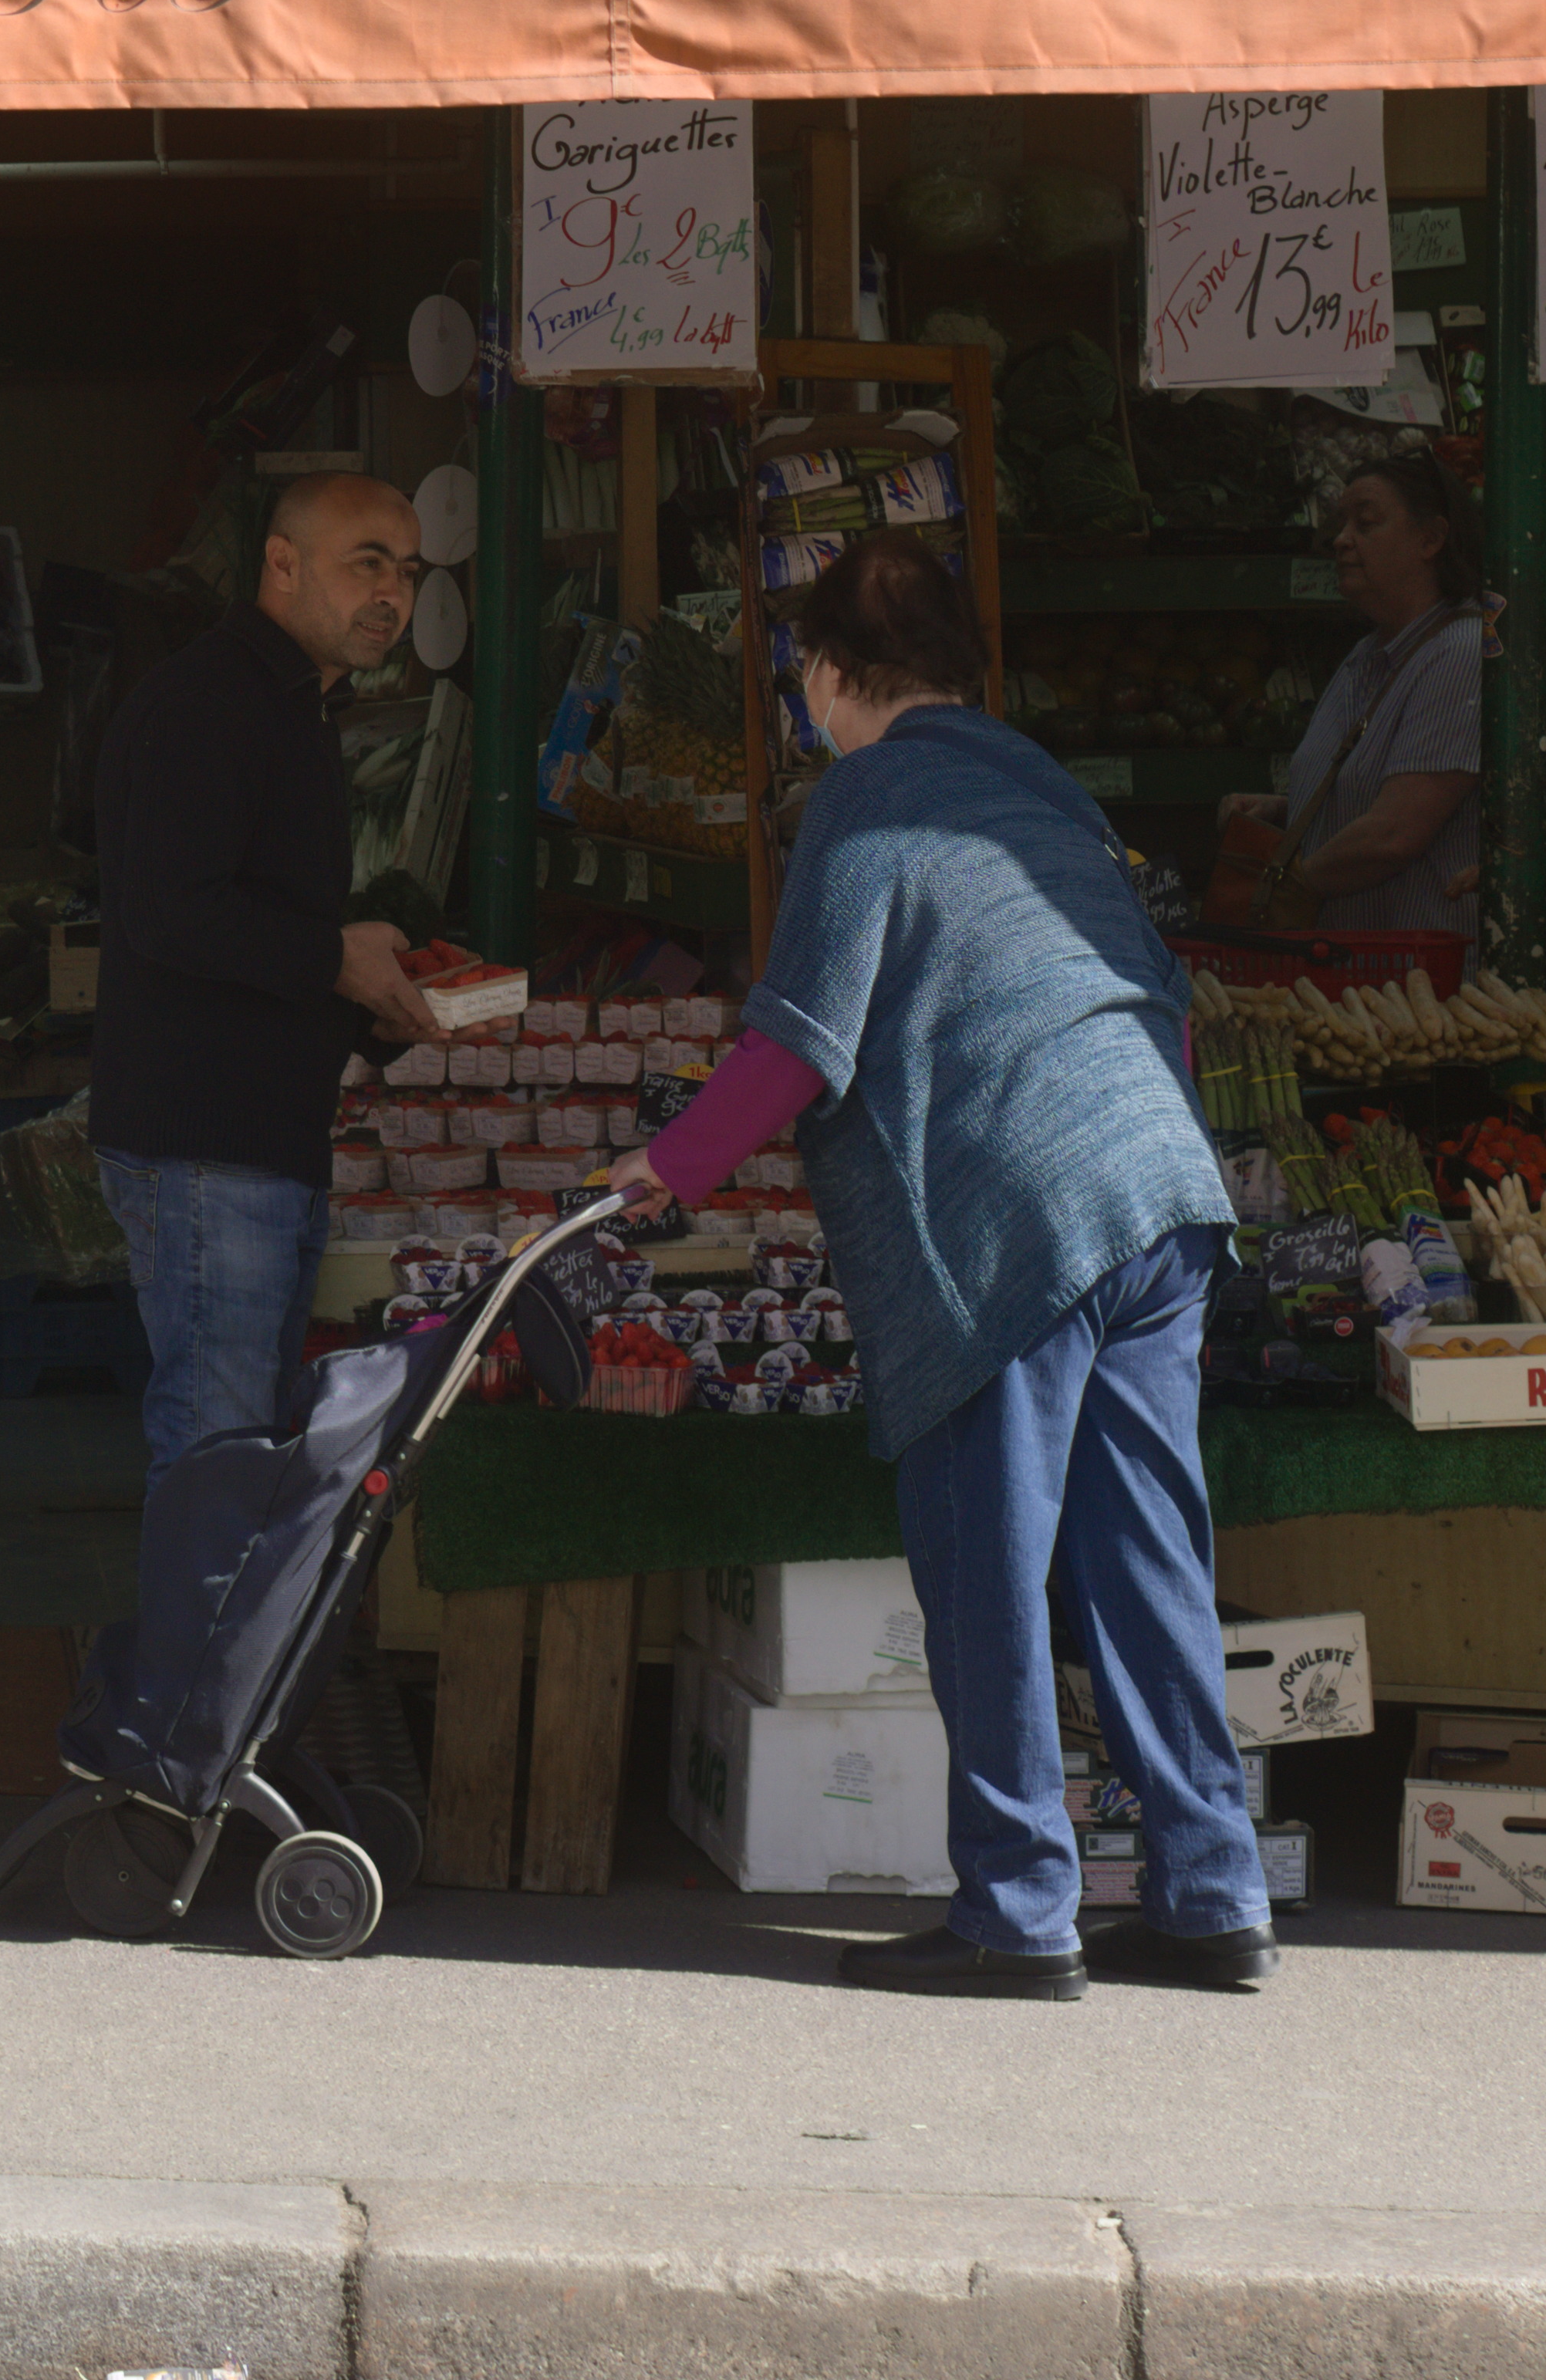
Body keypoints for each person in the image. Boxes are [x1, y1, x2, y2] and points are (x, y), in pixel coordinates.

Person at [609, 530, 1267, 2000]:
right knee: (1149, 1554)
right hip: (1157, 1187)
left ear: (832, 673)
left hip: (1017, 1220)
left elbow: (800, 1032)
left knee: (988, 1565)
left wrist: (670, 1168)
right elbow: (1160, 1000)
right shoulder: (1049, 788)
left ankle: (1017, 1911)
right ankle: (1214, 1893)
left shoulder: (867, 793)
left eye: (805, 674)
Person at [89, 475, 444, 1477]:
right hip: (207, 1145)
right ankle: (206, 1596)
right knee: (222, 1449)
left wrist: (373, 1003)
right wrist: (336, 958)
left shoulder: (297, 708)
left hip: (258, 1138)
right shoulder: (208, 705)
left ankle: (227, 1593)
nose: (391, 594)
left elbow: (259, 915)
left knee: (247, 1445)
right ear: (281, 565)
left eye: (406, 571)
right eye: (366, 563)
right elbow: (171, 911)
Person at [1213, 449, 1486, 933]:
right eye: (1342, 524)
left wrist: (1285, 892)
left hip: (1416, 971)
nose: (1341, 540)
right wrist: (1287, 808)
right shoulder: (1367, 654)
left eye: (1367, 523)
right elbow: (1371, 788)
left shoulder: (1459, 653)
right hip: (1347, 965)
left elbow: (1394, 834)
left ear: (1430, 539)